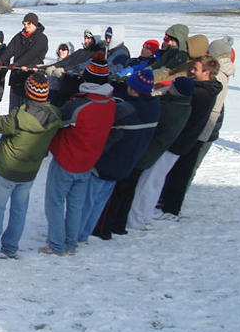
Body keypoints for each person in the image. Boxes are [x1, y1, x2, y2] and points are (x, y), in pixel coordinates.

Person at [0, 72, 61, 259]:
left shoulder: (19, 117)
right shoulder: (54, 116)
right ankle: (10, 247)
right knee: (19, 210)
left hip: (7, 168)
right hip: (29, 171)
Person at [42, 54, 116, 256]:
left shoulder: (80, 105)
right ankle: (71, 243)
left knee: (55, 202)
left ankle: (56, 244)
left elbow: (57, 119)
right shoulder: (109, 104)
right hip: (88, 161)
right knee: (75, 206)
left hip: (67, 159)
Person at [156, 37, 235, 218]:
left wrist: (201, 129)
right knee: (181, 166)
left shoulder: (218, 76)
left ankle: (172, 206)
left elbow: (212, 106)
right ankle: (167, 200)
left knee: (185, 167)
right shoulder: (214, 73)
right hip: (201, 125)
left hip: (204, 126)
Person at [84, 68, 160, 241]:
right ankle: (99, 227)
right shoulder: (154, 106)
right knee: (105, 197)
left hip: (110, 159)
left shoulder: (127, 108)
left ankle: (88, 230)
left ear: (133, 89)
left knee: (92, 198)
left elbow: (109, 116)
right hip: (131, 159)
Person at [124, 77, 194, 231]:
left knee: (147, 184)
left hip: (157, 150)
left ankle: (136, 219)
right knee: (153, 183)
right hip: (164, 149)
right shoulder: (183, 105)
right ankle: (142, 216)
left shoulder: (170, 107)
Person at [0, 12, 48, 112]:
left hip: (32, 79)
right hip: (17, 78)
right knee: (13, 109)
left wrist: (18, 63)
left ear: (34, 24)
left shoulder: (41, 38)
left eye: (28, 23)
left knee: (27, 110)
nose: (25, 26)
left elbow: (32, 53)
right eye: (24, 23)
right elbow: (9, 50)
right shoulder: (19, 36)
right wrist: (1, 61)